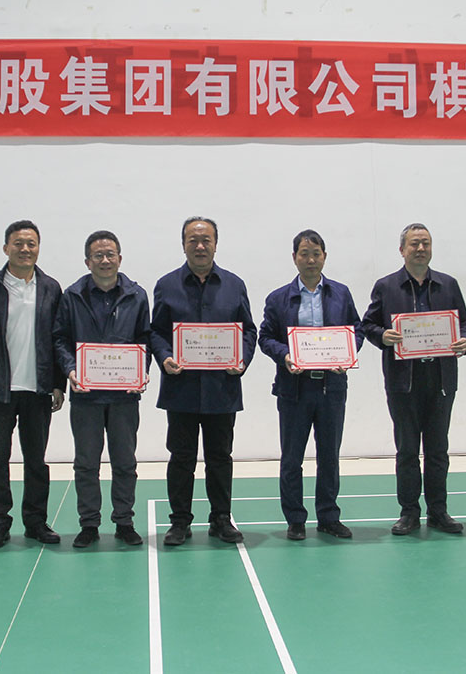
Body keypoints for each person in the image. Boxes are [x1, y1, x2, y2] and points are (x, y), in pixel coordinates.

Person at [150, 217, 257, 546]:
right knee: (181, 458)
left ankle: (221, 519)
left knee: (220, 458)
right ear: (183, 244)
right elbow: (156, 332)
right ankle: (180, 521)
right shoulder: (166, 285)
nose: (199, 246)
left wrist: (242, 359)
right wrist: (165, 356)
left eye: (206, 240)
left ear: (215, 244)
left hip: (221, 389)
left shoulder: (234, 285)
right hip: (181, 388)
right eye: (193, 240)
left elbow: (248, 330)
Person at [361, 224, 466, 536]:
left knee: (438, 451)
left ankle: (439, 512)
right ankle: (409, 512)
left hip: (441, 379)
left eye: (425, 243)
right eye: (414, 244)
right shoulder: (386, 286)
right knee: (407, 450)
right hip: (403, 381)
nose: (420, 249)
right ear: (402, 250)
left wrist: (465, 340)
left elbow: (463, 323)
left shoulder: (448, 284)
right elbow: (367, 325)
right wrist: (383, 335)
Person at [0, 220, 66, 549]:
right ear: (6, 248)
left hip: (38, 391)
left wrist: (58, 383)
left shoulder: (50, 288)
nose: (25, 249)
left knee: (36, 462)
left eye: (31, 244)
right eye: (18, 243)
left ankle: (36, 523)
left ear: (38, 248)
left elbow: (59, 338)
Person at [259, 229, 364, 540]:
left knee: (329, 456)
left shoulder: (341, 293)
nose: (310, 259)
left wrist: (348, 352)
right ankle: (295, 519)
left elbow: (356, 329)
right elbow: (265, 337)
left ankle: (329, 516)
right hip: (294, 388)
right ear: (294, 258)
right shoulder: (278, 298)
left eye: (315, 253)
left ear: (324, 257)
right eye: (304, 254)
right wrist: (285, 355)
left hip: (332, 387)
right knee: (292, 458)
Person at [53, 230, 151, 548]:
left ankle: (124, 521)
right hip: (86, 396)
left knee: (125, 462)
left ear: (120, 259)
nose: (105, 260)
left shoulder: (137, 296)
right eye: (98, 255)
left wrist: (142, 370)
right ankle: (89, 524)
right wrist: (70, 368)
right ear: (87, 261)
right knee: (86, 464)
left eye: (110, 254)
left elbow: (145, 339)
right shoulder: (72, 296)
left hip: (124, 396)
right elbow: (60, 339)